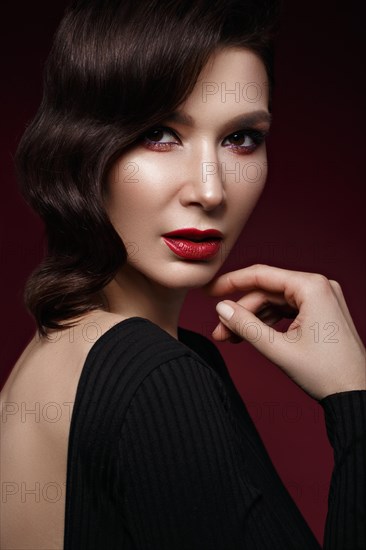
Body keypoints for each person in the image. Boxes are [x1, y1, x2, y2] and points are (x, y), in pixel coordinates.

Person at [0, 0, 365, 548]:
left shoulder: (55, 351)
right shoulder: (156, 375)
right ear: (81, 144)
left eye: (241, 138)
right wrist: (355, 400)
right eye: (159, 133)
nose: (211, 190)